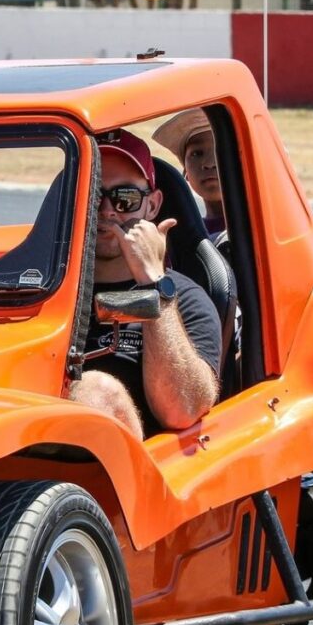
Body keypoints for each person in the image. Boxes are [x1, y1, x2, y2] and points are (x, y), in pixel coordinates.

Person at [69, 130, 221, 439]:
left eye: (126, 199)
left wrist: (152, 281)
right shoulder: (42, 291)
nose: (108, 211)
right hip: (29, 458)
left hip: (142, 474)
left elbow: (184, 409)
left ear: (152, 206)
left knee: (96, 392)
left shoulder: (187, 298)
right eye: (93, 195)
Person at [152, 108, 224, 236]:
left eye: (220, 151)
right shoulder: (179, 237)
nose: (209, 164)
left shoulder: (263, 224)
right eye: (197, 153)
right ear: (185, 170)